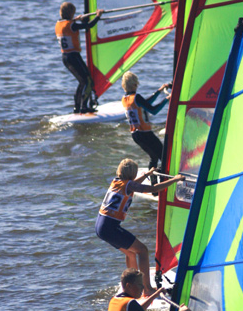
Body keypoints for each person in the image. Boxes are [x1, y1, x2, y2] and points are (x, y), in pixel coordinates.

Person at [96, 159, 184, 297]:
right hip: (110, 228)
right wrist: (176, 179)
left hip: (101, 227)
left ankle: (132, 286)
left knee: (131, 253)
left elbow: (133, 184)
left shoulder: (117, 181)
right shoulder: (129, 185)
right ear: (132, 174)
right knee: (142, 250)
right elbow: (153, 189)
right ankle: (147, 289)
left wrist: (147, 174)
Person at [55, 2, 103, 113]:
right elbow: (89, 26)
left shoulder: (58, 24)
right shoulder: (72, 25)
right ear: (72, 13)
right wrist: (98, 16)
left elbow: (69, 24)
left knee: (82, 82)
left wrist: (75, 19)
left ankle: (77, 107)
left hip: (65, 57)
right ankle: (84, 107)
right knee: (88, 81)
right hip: (74, 56)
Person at [121, 72, 171, 179]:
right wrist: (167, 99)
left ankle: (154, 186)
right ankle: (163, 182)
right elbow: (153, 110)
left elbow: (146, 103)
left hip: (135, 135)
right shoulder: (137, 97)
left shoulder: (125, 99)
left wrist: (159, 91)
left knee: (153, 157)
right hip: (145, 134)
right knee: (164, 156)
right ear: (135, 84)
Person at [108, 268, 191, 311]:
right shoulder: (130, 303)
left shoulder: (114, 300)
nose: (143, 288)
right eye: (140, 285)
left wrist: (155, 294)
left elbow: (138, 309)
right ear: (128, 286)